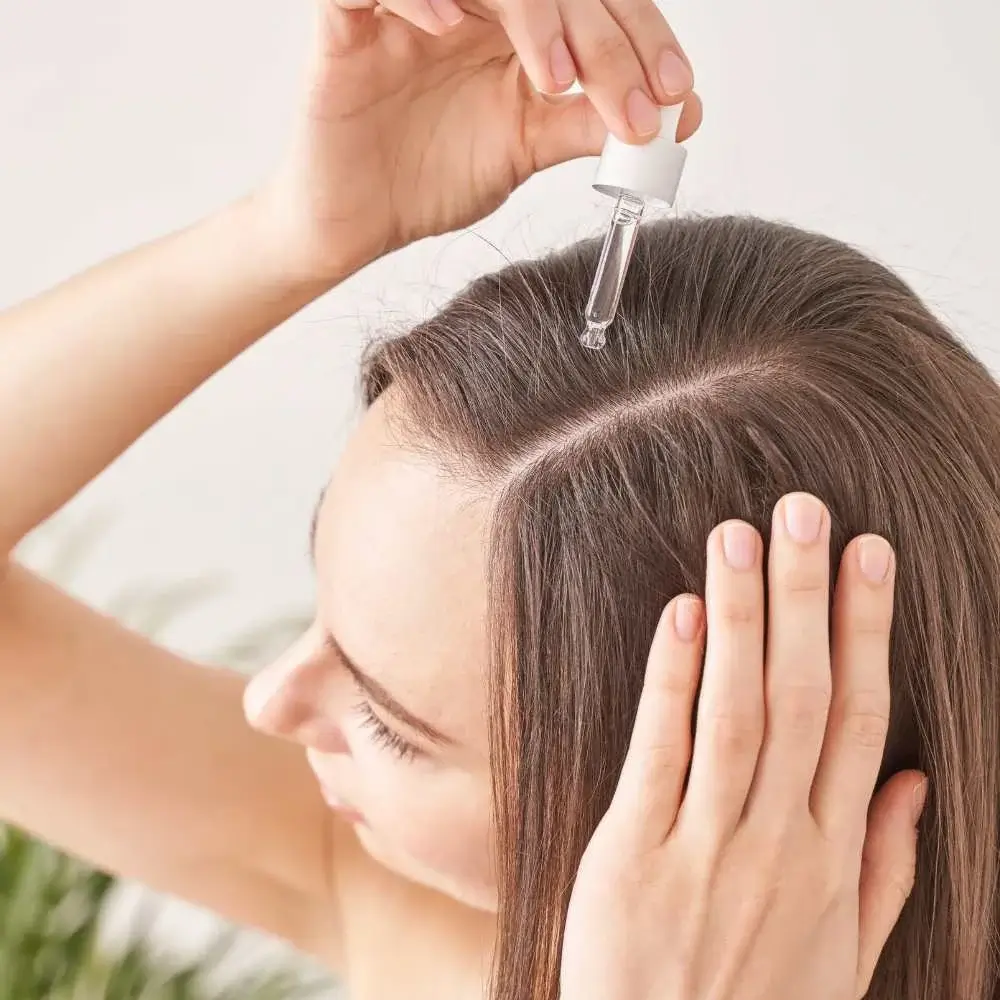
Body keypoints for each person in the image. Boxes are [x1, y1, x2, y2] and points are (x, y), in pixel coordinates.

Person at [0, 2, 993, 999]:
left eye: (391, 723)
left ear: (714, 788)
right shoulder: (414, 912)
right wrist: (295, 231)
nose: (271, 701)